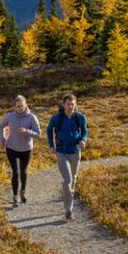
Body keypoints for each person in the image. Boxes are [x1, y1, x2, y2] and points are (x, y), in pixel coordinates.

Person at [46, 93, 88, 221]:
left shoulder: (80, 117)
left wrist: (83, 140)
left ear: (75, 105)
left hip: (75, 150)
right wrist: (51, 145)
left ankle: (68, 196)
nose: (70, 106)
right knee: (68, 179)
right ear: (63, 104)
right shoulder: (57, 118)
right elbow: (49, 130)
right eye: (68, 104)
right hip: (61, 151)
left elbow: (85, 131)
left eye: (72, 104)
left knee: (73, 178)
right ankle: (68, 211)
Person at [0, 95, 42, 206]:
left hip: (26, 149)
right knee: (15, 172)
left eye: (21, 106)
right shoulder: (9, 116)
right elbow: (1, 126)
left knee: (23, 171)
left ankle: (22, 192)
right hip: (11, 147)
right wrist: (2, 140)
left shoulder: (32, 117)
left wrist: (26, 131)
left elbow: (38, 134)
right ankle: (15, 196)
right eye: (17, 106)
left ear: (25, 105)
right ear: (14, 106)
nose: (20, 108)